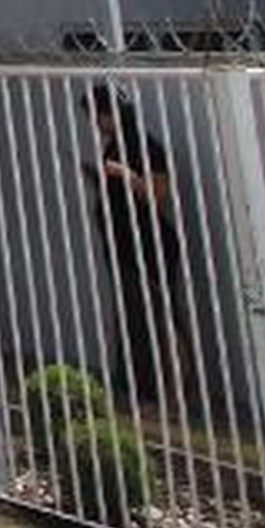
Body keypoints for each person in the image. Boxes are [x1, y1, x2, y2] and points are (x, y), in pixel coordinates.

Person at [85, 86, 193, 418]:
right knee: (134, 320)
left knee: (157, 319)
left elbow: (157, 195)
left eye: (98, 115)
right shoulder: (114, 146)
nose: (97, 123)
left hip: (149, 248)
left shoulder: (145, 145)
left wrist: (126, 175)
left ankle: (170, 396)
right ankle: (136, 391)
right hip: (123, 248)